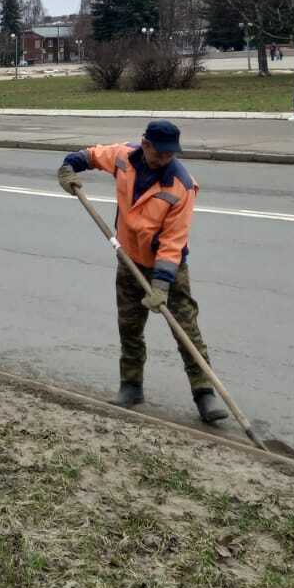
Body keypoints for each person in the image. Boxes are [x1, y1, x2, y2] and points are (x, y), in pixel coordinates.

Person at [56, 121, 227, 424]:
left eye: (170, 154)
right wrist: (68, 167)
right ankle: (131, 386)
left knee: (185, 329)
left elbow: (173, 243)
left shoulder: (182, 186)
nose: (166, 159)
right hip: (129, 259)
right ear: (145, 144)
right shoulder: (124, 157)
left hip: (168, 268)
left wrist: (161, 285)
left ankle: (205, 395)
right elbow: (92, 156)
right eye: (160, 153)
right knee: (130, 326)